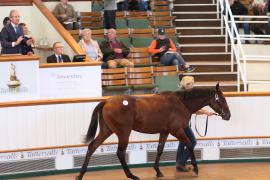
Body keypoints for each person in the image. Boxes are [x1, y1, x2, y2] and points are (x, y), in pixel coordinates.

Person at [176, 76, 215, 172]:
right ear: (184, 84)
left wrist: (205, 112)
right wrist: (206, 112)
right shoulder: (183, 95)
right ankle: (181, 163)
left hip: (180, 122)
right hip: (181, 123)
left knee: (182, 142)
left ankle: (179, 164)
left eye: (192, 84)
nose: (191, 86)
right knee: (192, 142)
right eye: (189, 84)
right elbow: (193, 109)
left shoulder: (184, 93)